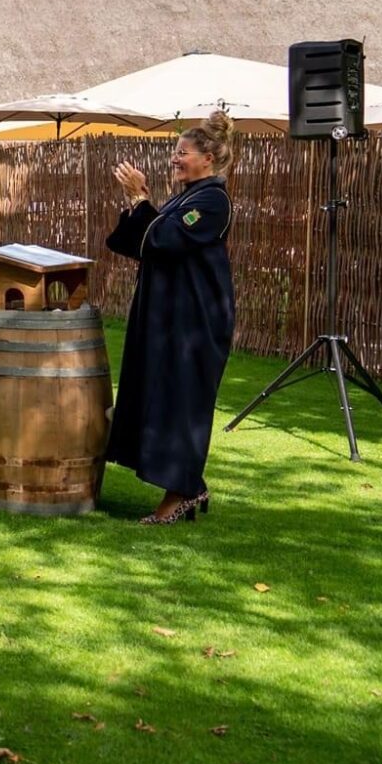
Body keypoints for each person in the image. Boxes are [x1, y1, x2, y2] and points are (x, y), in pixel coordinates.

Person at [105, 111, 236, 525]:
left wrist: (142, 200)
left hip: (195, 322)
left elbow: (164, 239)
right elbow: (141, 241)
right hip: (171, 317)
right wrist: (137, 202)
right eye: (174, 152)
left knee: (183, 402)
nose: (174, 159)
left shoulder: (213, 201)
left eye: (183, 153)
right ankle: (189, 486)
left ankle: (181, 492)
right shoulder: (188, 197)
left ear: (208, 160)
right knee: (163, 396)